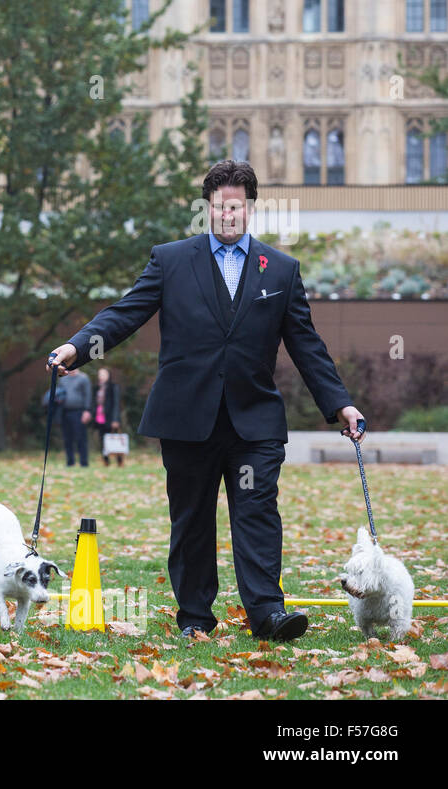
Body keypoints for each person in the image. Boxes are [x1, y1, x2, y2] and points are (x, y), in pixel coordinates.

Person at [48, 160, 365, 643]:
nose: (228, 214)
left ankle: (268, 614)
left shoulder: (280, 269)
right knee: (192, 520)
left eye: (236, 206)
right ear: (208, 207)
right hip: (186, 420)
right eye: (219, 206)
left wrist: (340, 404)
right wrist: (77, 346)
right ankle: (195, 616)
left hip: (253, 424)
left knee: (257, 514)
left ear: (249, 208)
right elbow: (126, 312)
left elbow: (306, 344)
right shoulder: (171, 260)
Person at [43, 367, 91, 467]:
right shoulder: (63, 379)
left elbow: (88, 395)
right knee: (67, 438)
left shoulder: (83, 378)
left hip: (79, 412)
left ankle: (84, 462)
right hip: (64, 412)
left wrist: (87, 411)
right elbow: (58, 392)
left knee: (80, 438)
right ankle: (70, 462)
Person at [94, 368, 123, 466]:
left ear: (108, 375)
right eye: (100, 374)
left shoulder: (113, 387)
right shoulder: (97, 387)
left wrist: (115, 419)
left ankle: (119, 460)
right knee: (102, 440)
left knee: (115, 439)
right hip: (100, 417)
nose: (101, 376)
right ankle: (106, 461)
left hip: (111, 418)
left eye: (103, 374)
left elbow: (116, 404)